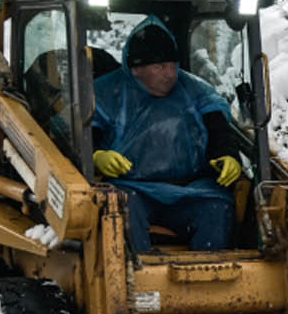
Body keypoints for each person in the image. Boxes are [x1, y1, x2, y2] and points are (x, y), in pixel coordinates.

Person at [91, 16, 242, 252]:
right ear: (136, 69)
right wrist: (96, 156)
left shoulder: (195, 91)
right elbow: (82, 136)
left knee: (216, 209)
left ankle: (213, 279)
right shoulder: (106, 94)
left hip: (192, 190)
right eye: (160, 66)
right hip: (131, 189)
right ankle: (134, 280)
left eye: (173, 64)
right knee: (118, 211)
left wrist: (228, 155)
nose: (170, 73)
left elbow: (220, 131)